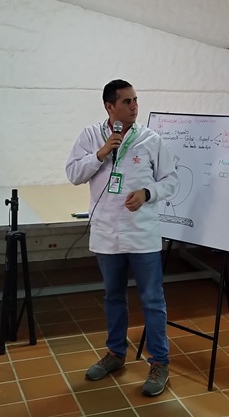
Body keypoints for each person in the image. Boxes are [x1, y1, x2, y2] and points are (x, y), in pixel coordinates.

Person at [66, 79, 179, 397]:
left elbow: (172, 180)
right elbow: (73, 174)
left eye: (135, 100)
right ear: (109, 106)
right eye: (127, 101)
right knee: (113, 297)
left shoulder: (151, 139)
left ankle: (160, 362)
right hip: (106, 232)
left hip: (142, 233)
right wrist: (100, 154)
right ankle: (116, 354)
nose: (134, 106)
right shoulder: (91, 136)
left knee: (153, 301)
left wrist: (147, 193)